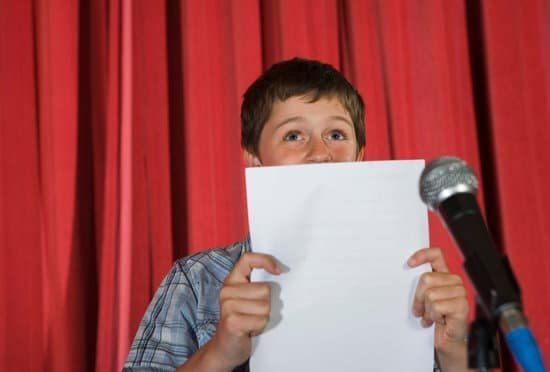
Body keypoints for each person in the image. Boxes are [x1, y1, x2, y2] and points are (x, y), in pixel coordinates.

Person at [124, 58, 470, 371]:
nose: (320, 153)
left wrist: (454, 353)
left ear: (359, 155)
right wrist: (220, 352)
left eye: (336, 135)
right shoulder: (197, 280)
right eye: (293, 136)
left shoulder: (413, 278)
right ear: (255, 159)